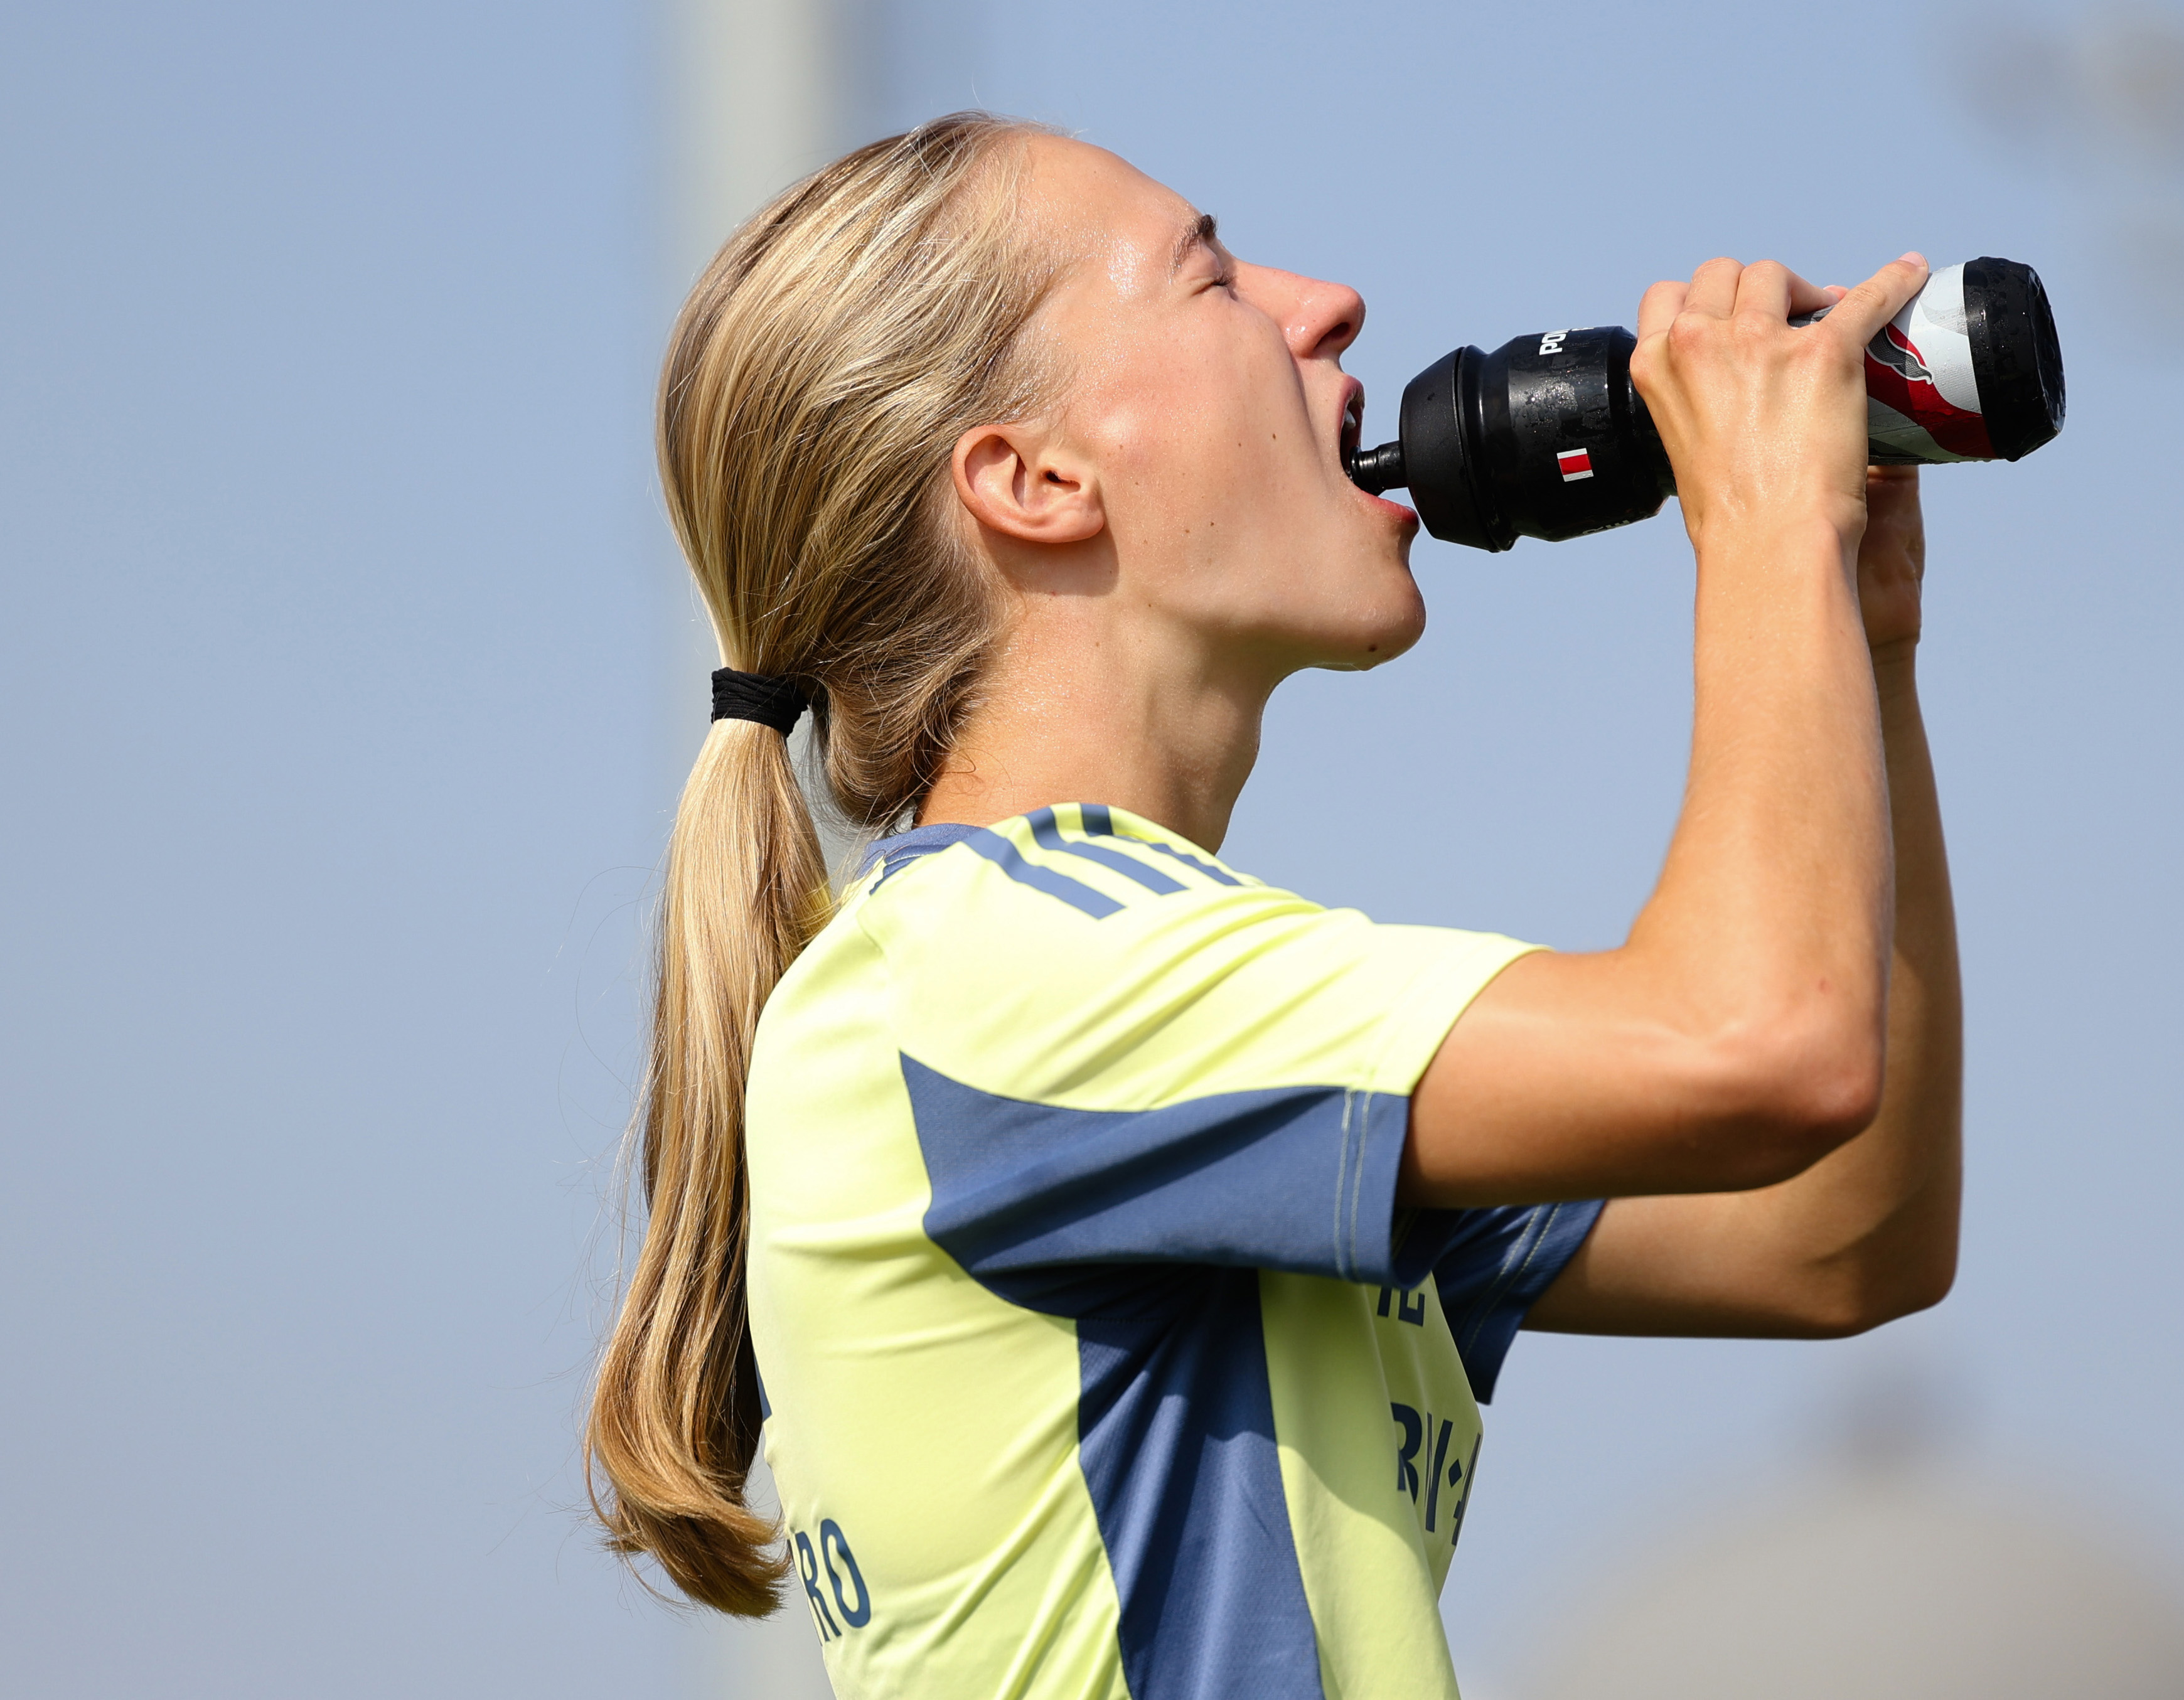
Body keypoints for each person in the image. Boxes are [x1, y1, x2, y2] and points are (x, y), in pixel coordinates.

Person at [586, 112, 1961, 1700]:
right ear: (1034, 478)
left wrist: (1858, 641)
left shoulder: (1140, 1005)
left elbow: (1840, 1236)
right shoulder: (991, 972)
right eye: (1212, 280)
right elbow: (1763, 1046)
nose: (1329, 304)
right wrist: (1765, 525)